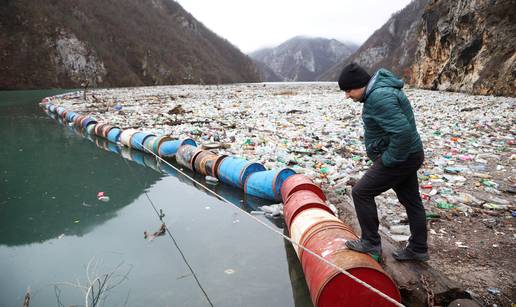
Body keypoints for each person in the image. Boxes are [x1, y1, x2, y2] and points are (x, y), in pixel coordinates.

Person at [338, 63, 428, 261]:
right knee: (412, 201)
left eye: (348, 90)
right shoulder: (381, 91)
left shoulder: (378, 97)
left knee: (361, 192)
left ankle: (370, 243)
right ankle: (419, 248)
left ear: (360, 84)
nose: (347, 95)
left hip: (400, 157)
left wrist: (389, 160)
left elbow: (402, 133)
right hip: (410, 154)